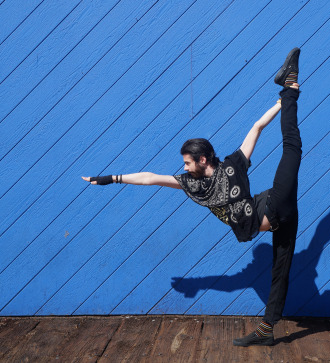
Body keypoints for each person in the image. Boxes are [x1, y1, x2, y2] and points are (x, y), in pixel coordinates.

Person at [83, 48, 302, 346]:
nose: (183, 167)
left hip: (274, 206)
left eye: (187, 162)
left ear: (203, 159)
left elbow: (257, 127)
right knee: (281, 268)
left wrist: (280, 103)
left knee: (291, 148)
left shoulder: (232, 165)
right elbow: (150, 178)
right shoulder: (191, 184)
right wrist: (110, 178)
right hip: (270, 216)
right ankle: (266, 330)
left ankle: (289, 86)